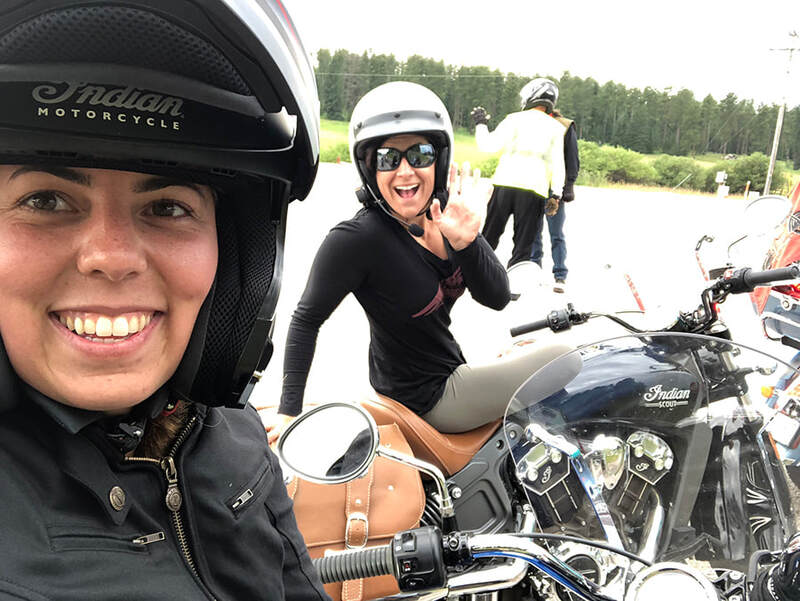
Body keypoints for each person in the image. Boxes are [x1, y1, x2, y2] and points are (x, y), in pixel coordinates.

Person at [0, 1, 329, 599]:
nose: (113, 256)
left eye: (168, 206)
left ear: (236, 259)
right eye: (46, 200)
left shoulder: (233, 435)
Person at [265, 82, 571, 439]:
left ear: (438, 162)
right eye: (388, 158)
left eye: (420, 155)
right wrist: (288, 412)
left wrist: (467, 243)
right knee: (570, 358)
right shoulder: (357, 239)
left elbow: (498, 297)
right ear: (370, 169)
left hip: (451, 368)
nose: (405, 171)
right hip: (427, 398)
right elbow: (306, 319)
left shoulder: (448, 216)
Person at [471, 78, 566, 269]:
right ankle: (515, 280)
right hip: (534, 190)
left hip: (504, 184)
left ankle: (477, 274)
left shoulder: (513, 119)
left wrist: (481, 124)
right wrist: (556, 193)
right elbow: (558, 163)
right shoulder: (556, 128)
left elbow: (488, 146)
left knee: (490, 236)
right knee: (523, 245)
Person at [528, 80, 580, 293]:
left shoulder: (564, 125)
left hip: (554, 189)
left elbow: (572, 157)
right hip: (532, 185)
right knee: (532, 233)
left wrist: (569, 185)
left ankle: (560, 275)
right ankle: (534, 269)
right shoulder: (529, 123)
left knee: (556, 233)